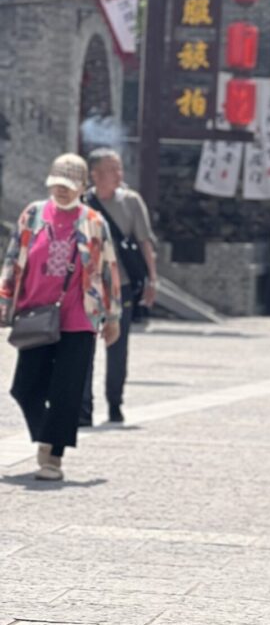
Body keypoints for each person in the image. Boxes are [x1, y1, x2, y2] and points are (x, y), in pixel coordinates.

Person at [0, 154, 122, 481]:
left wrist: (112, 317)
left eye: (68, 185)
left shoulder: (93, 221)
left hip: (80, 317)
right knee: (25, 387)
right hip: (35, 314)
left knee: (66, 391)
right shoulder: (33, 215)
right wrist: (4, 299)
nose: (61, 190)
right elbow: (12, 260)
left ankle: (53, 458)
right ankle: (48, 434)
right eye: (56, 184)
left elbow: (109, 269)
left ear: (82, 186)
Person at [79, 147, 157, 426]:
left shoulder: (131, 202)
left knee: (117, 345)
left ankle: (115, 402)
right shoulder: (81, 203)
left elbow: (144, 241)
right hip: (87, 286)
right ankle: (84, 408)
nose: (118, 174)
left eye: (119, 168)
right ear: (95, 174)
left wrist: (152, 279)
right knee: (83, 345)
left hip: (119, 285)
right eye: (112, 169)